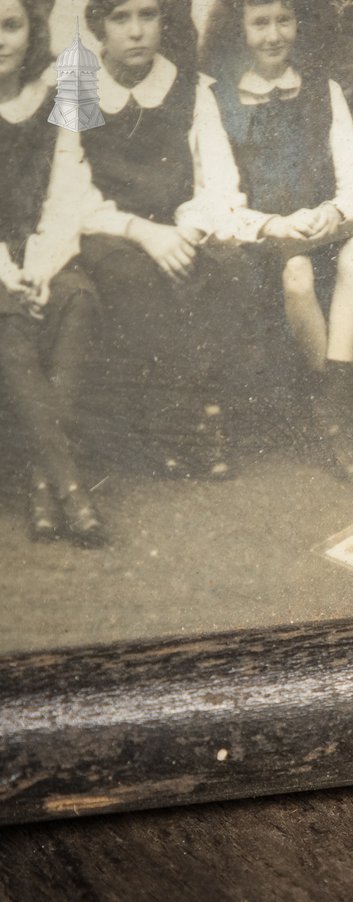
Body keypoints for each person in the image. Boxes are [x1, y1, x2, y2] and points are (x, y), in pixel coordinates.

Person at [69, 0, 273, 478]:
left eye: (148, 16)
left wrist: (190, 228)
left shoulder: (190, 89)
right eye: (121, 19)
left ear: (165, 21)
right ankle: (162, 423)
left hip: (181, 222)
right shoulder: (77, 87)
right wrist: (142, 232)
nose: (137, 32)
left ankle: (203, 414)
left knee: (230, 265)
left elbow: (218, 177)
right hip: (109, 229)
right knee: (133, 276)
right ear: (100, 26)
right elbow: (69, 189)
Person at [202, 0, 353, 477]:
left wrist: (332, 211)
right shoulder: (216, 98)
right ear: (239, 31)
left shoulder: (324, 90)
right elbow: (219, 202)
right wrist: (273, 225)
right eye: (260, 23)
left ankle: (331, 409)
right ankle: (336, 411)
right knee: (296, 273)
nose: (274, 34)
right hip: (265, 238)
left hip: (319, 227)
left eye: (284, 20)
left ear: (300, 24)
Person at [0, 0, 105, 545]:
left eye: (11, 26)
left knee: (77, 299)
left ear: (30, 31)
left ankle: (43, 484)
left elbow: (69, 189)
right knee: (8, 325)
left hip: (45, 247)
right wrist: (8, 272)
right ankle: (69, 489)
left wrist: (39, 266)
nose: (0, 40)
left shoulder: (62, 90)